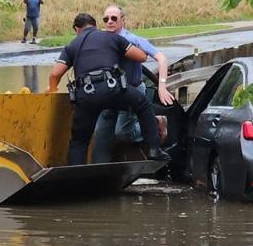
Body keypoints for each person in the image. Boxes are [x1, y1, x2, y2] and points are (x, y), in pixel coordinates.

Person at [46, 13, 169, 165]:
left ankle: (76, 176)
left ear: (77, 29)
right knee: (142, 104)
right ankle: (154, 149)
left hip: (86, 95)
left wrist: (52, 89)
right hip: (112, 89)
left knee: (79, 140)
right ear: (95, 25)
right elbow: (141, 57)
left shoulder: (73, 45)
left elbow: (55, 74)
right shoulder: (111, 37)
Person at [91, 4, 174, 163]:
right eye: (106, 19)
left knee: (123, 133)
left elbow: (161, 59)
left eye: (114, 18)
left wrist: (162, 86)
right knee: (101, 133)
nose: (109, 22)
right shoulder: (101, 40)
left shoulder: (133, 40)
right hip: (109, 93)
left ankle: (155, 124)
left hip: (132, 91)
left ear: (122, 20)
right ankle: (101, 168)